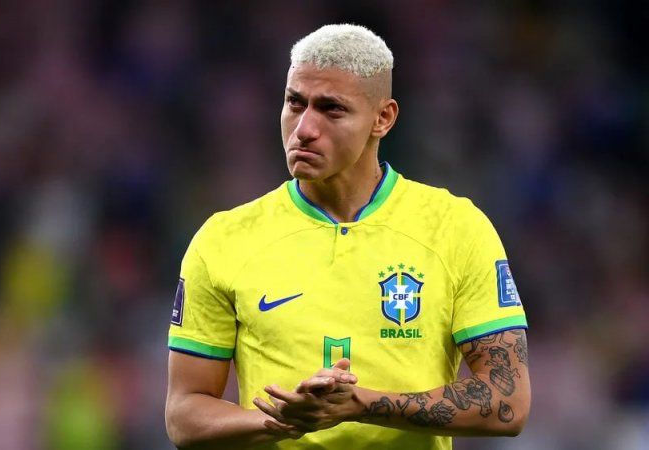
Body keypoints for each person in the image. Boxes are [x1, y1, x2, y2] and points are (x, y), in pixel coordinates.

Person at [165, 23, 530, 450]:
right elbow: (184, 414)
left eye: (331, 109)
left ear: (383, 118)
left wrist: (360, 404)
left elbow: (507, 401)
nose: (304, 128)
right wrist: (281, 422)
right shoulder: (223, 240)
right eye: (294, 103)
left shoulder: (456, 229)